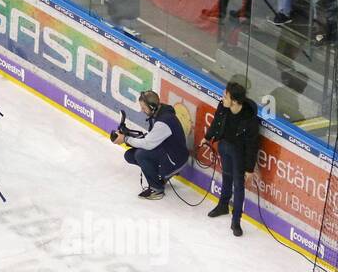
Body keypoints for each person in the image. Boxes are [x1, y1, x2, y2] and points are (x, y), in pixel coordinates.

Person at [202, 80, 260, 237]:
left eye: (225, 97)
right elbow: (217, 122)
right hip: (224, 145)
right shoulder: (223, 107)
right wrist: (208, 137)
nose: (223, 99)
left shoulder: (250, 120)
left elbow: (252, 146)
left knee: (238, 184)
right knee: (226, 175)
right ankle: (222, 205)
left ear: (234, 101)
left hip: (238, 153)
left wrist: (249, 168)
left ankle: (236, 221)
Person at [110, 90, 189, 200]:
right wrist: (127, 135)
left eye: (144, 108)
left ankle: (157, 189)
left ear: (152, 107)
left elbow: (147, 144)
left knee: (140, 155)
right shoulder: (158, 113)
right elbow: (150, 138)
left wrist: (126, 139)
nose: (142, 110)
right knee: (130, 155)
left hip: (175, 159)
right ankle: (160, 177)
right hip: (169, 153)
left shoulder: (163, 121)